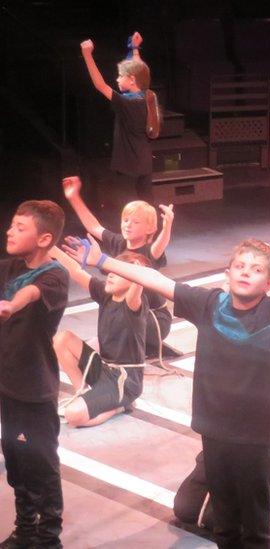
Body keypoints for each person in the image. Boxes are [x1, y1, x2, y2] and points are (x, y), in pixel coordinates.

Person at [62, 236, 270, 549]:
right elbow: (154, 278)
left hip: (254, 435)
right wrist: (101, 260)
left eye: (254, 270)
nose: (244, 272)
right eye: (239, 266)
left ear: (268, 283)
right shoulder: (208, 304)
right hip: (213, 429)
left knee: (255, 520)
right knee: (224, 517)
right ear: (227, 273)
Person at [0, 200, 68, 549]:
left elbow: (31, 292)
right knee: (15, 463)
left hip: (35, 389)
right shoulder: (9, 268)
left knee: (41, 464)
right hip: (8, 387)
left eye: (19, 227)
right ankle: (25, 529)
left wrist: (12, 304)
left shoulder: (54, 274)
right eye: (11, 224)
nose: (10, 231)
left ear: (44, 239)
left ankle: (47, 538)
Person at [62, 175, 173, 360]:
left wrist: (167, 226)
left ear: (150, 230)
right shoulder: (118, 243)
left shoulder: (149, 252)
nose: (128, 225)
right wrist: (74, 197)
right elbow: (94, 226)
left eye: (136, 222)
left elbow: (160, 245)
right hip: (128, 313)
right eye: (126, 220)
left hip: (153, 319)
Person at [50, 246, 150, 427]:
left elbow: (138, 282)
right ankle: (82, 392)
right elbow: (76, 270)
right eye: (110, 271)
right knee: (62, 338)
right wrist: (51, 247)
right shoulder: (105, 294)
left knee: (73, 416)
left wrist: (139, 271)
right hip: (104, 368)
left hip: (125, 380)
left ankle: (122, 406)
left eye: (118, 273)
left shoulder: (133, 303)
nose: (110, 275)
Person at [80, 32, 161, 204]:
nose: (117, 79)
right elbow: (139, 72)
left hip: (128, 166)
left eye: (120, 76)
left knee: (128, 208)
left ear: (131, 80)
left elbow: (100, 85)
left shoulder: (126, 103)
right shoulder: (148, 96)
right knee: (147, 205)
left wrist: (87, 55)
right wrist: (135, 48)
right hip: (144, 162)